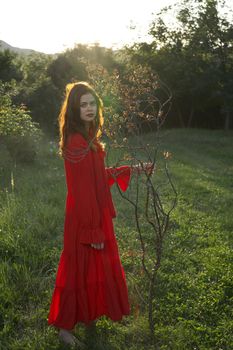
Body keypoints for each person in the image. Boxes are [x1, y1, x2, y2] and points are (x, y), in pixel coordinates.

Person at [47, 81, 153, 346]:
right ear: (74, 108)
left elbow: (96, 178)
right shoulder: (75, 140)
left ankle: (86, 314)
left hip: (93, 212)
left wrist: (133, 168)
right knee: (76, 268)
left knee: (91, 266)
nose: (89, 108)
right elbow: (82, 189)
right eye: (83, 104)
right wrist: (92, 228)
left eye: (92, 103)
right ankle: (64, 328)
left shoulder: (88, 136)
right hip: (85, 215)